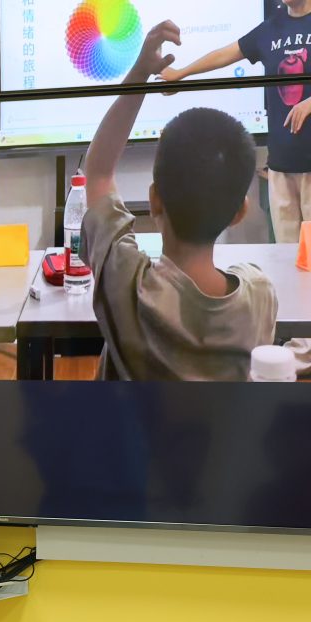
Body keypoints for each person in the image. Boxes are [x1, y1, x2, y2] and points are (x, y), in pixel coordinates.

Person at [82, 21, 279, 381]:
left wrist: (140, 73)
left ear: (154, 200)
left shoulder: (128, 283)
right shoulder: (259, 296)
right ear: (239, 212)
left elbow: (97, 172)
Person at [160, 0, 311, 373]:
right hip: (282, 162)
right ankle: (301, 345)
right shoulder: (271, 27)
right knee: (290, 257)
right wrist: (181, 74)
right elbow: (225, 54)